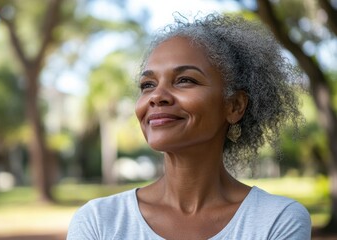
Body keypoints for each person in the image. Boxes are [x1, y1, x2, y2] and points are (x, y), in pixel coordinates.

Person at [67, 13, 311, 240]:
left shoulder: (276, 220)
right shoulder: (98, 221)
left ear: (234, 106)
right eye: (148, 84)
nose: (156, 96)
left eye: (185, 80)